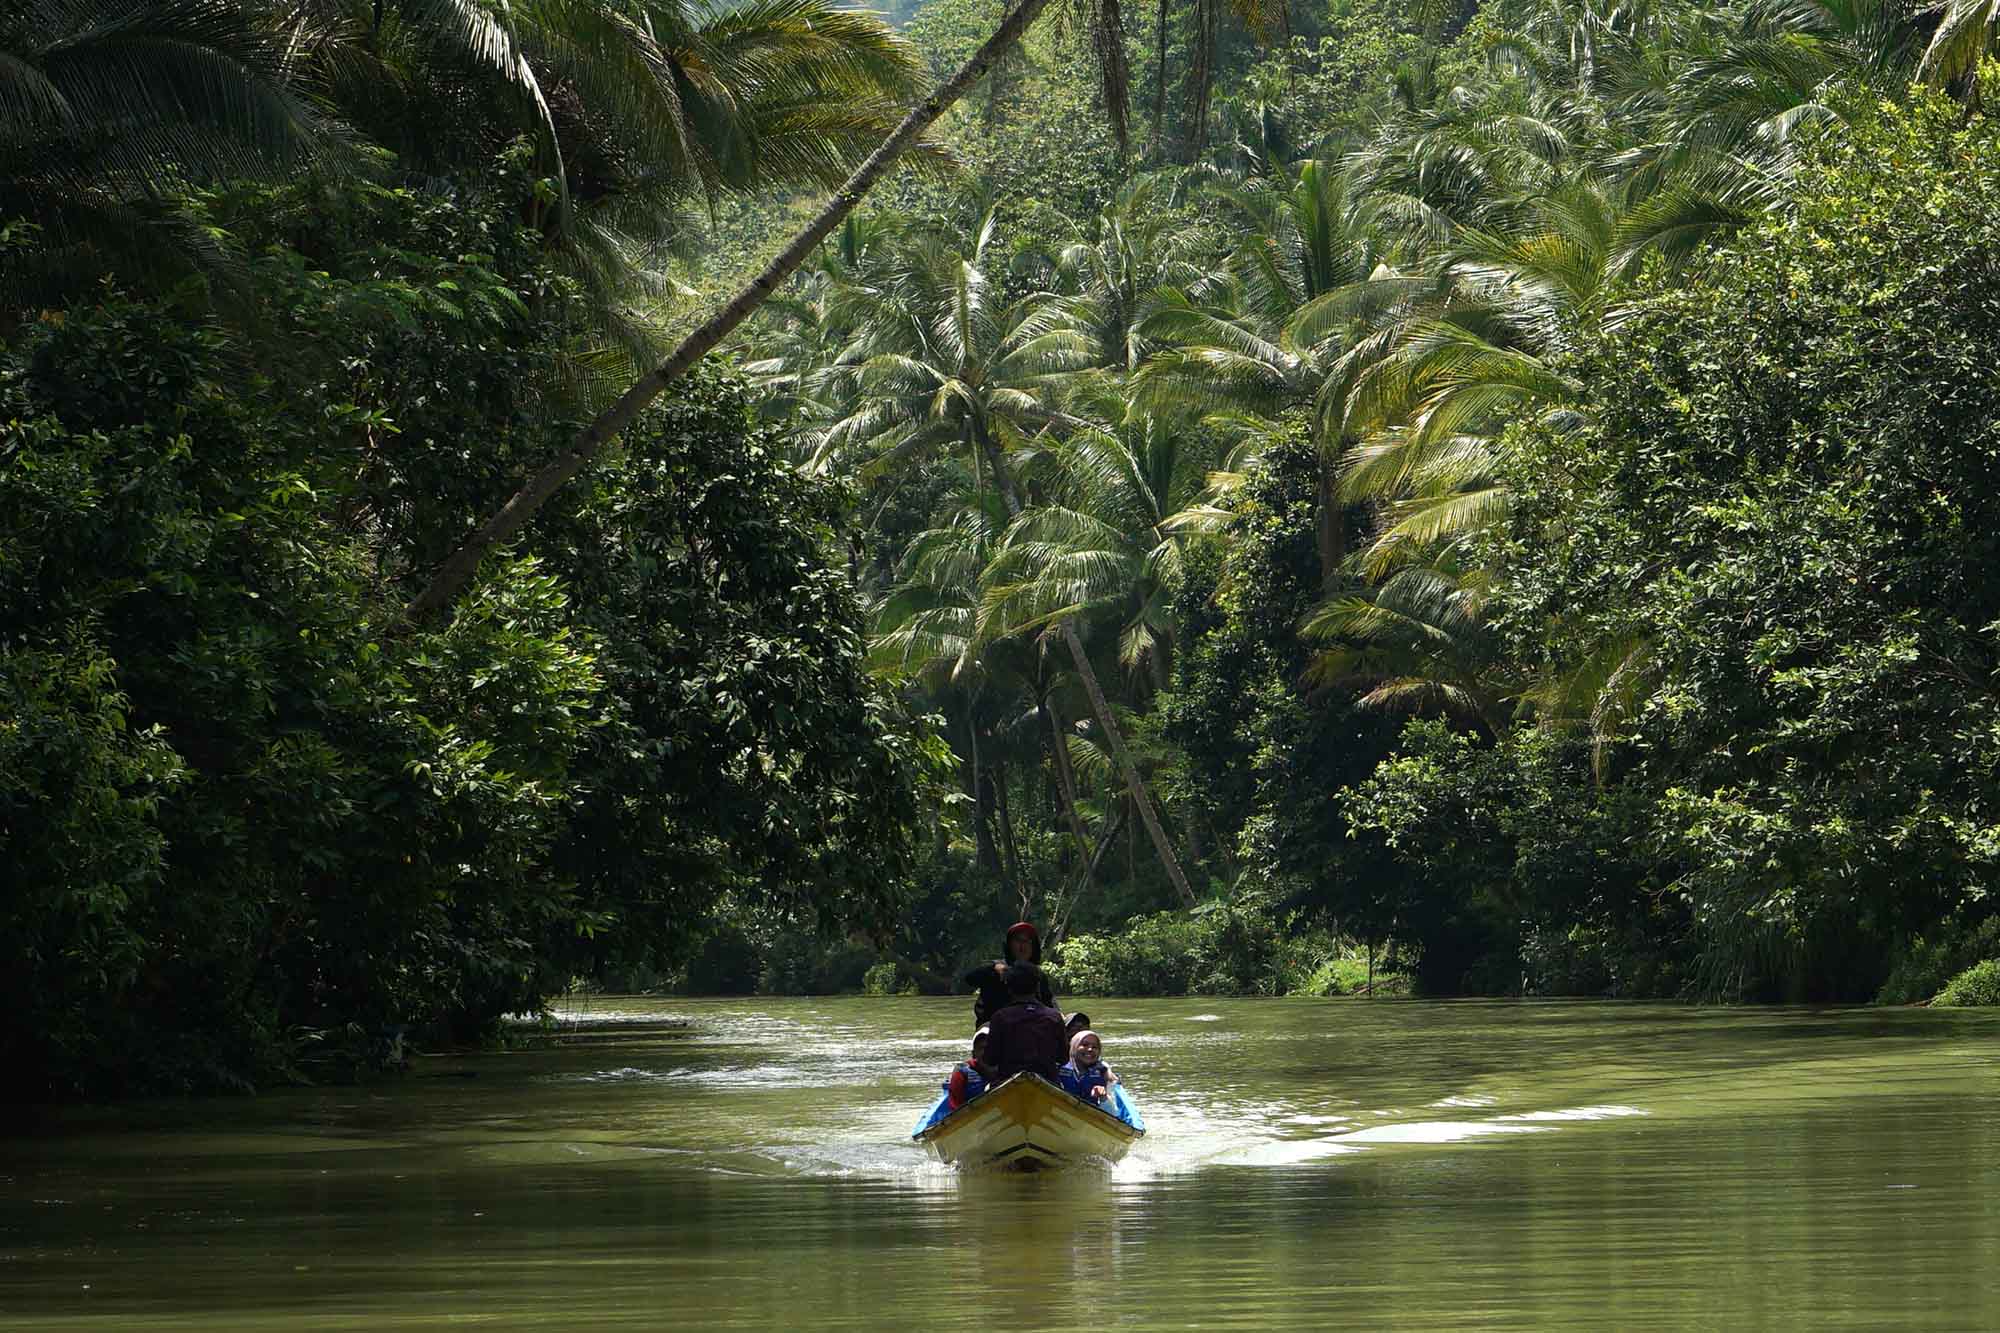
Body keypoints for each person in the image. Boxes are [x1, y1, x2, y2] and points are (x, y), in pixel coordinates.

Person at [962, 922, 1058, 1028]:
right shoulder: (995, 970)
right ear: (1009, 945)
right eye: (1018, 940)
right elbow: (969, 979)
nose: (1023, 946)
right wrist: (992, 969)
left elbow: (1049, 1003)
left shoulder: (1038, 974)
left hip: (1029, 1028)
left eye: (1027, 941)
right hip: (993, 1028)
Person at [983, 963, 1067, 1083]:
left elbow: (990, 1059)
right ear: (1037, 986)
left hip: (1009, 1084)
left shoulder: (1000, 1017)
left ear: (1009, 988)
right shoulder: (1054, 1017)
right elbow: (1063, 1058)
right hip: (1047, 1083)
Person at [1059, 1029, 1116, 1104]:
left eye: (1095, 1047)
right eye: (1084, 1045)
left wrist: (1103, 1097)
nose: (1090, 1049)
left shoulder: (1105, 1073)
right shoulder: (1059, 1070)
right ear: (1074, 1047)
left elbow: (1113, 1112)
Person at [944, 1028, 993, 1111]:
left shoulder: (1004, 1069)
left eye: (989, 1048)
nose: (985, 1052)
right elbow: (955, 1107)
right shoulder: (961, 1074)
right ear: (974, 1054)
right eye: (981, 1048)